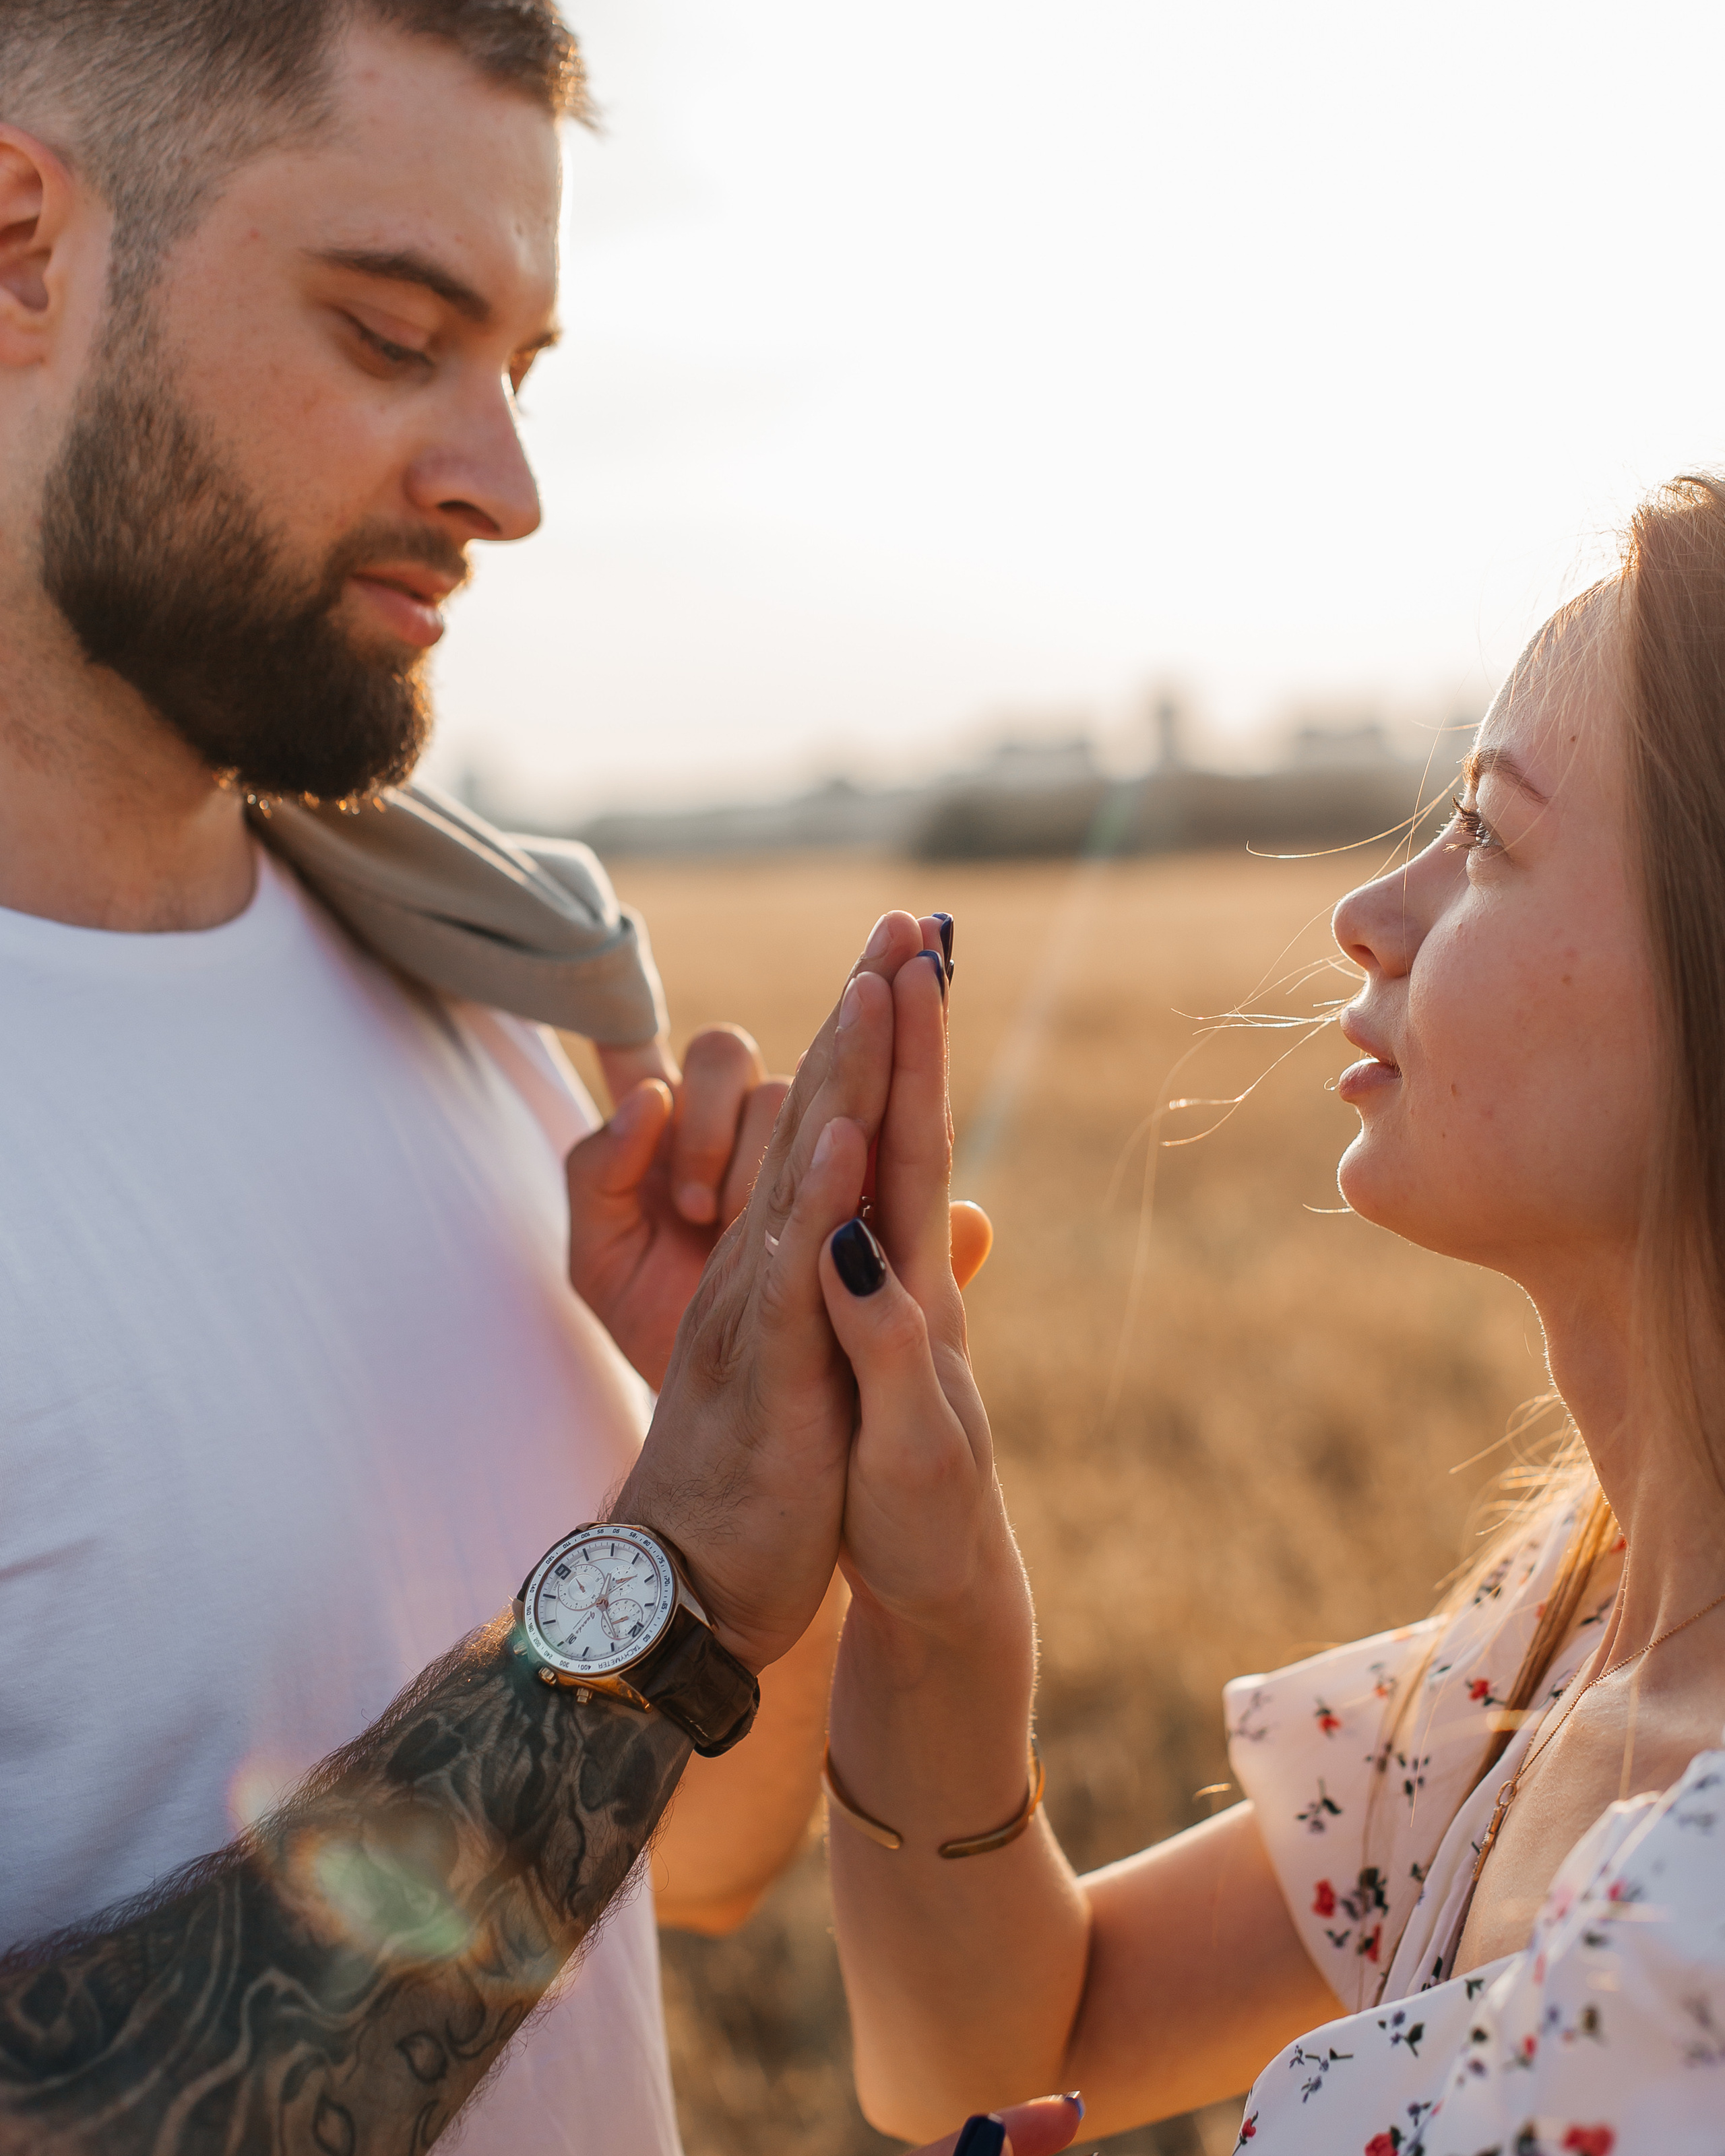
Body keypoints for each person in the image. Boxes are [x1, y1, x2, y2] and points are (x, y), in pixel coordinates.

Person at [0, 2, 986, 2149]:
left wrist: (767, 1475)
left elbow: (693, 1866)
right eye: (390, 333)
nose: (511, 489)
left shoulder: (472, 972)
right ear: (19, 243)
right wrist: (665, 1588)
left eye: (523, 373)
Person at [810, 474, 1725, 2152]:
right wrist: (934, 1601)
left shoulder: (1698, 1910)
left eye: (1484, 836)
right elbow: (1015, 2040)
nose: (1366, 915)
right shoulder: (1557, 1640)